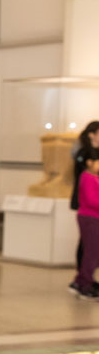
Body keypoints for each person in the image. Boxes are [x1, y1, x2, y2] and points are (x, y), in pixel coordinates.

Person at [69, 121, 99, 294]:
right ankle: (83, 280)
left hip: (92, 212)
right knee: (89, 247)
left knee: (92, 247)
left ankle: (84, 278)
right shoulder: (86, 168)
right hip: (88, 212)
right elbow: (89, 196)